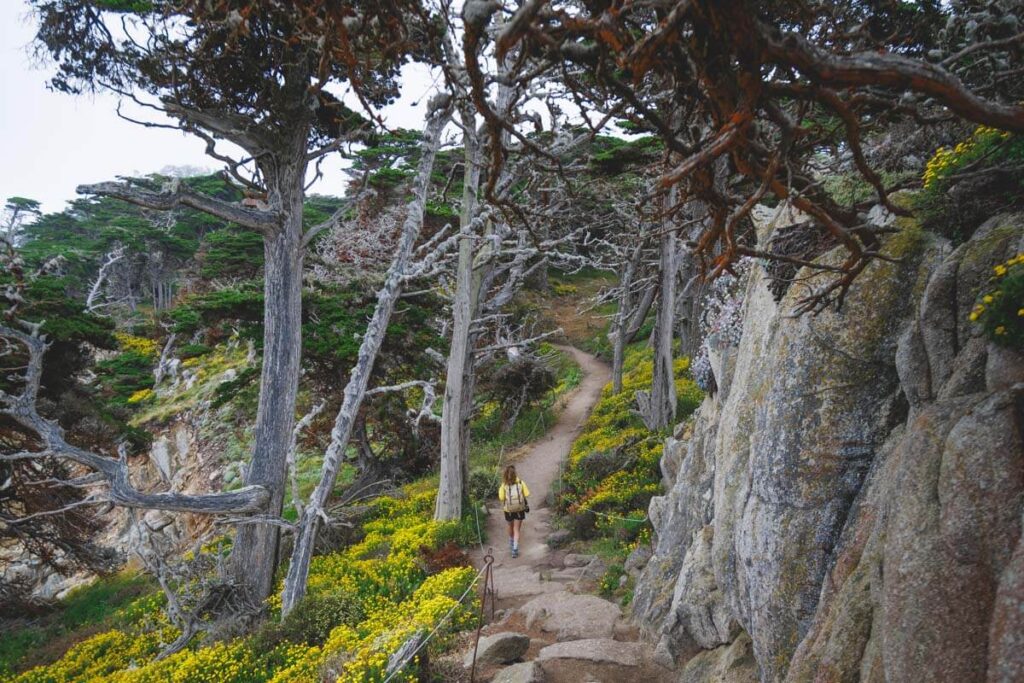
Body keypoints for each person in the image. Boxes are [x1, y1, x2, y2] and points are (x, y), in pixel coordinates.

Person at [498, 465, 530, 558]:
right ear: (515, 474)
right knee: (517, 529)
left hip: (508, 510)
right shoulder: (520, 482)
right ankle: (515, 549)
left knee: (510, 526)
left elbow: (501, 498)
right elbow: (527, 494)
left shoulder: (504, 485)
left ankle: (511, 543)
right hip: (519, 509)